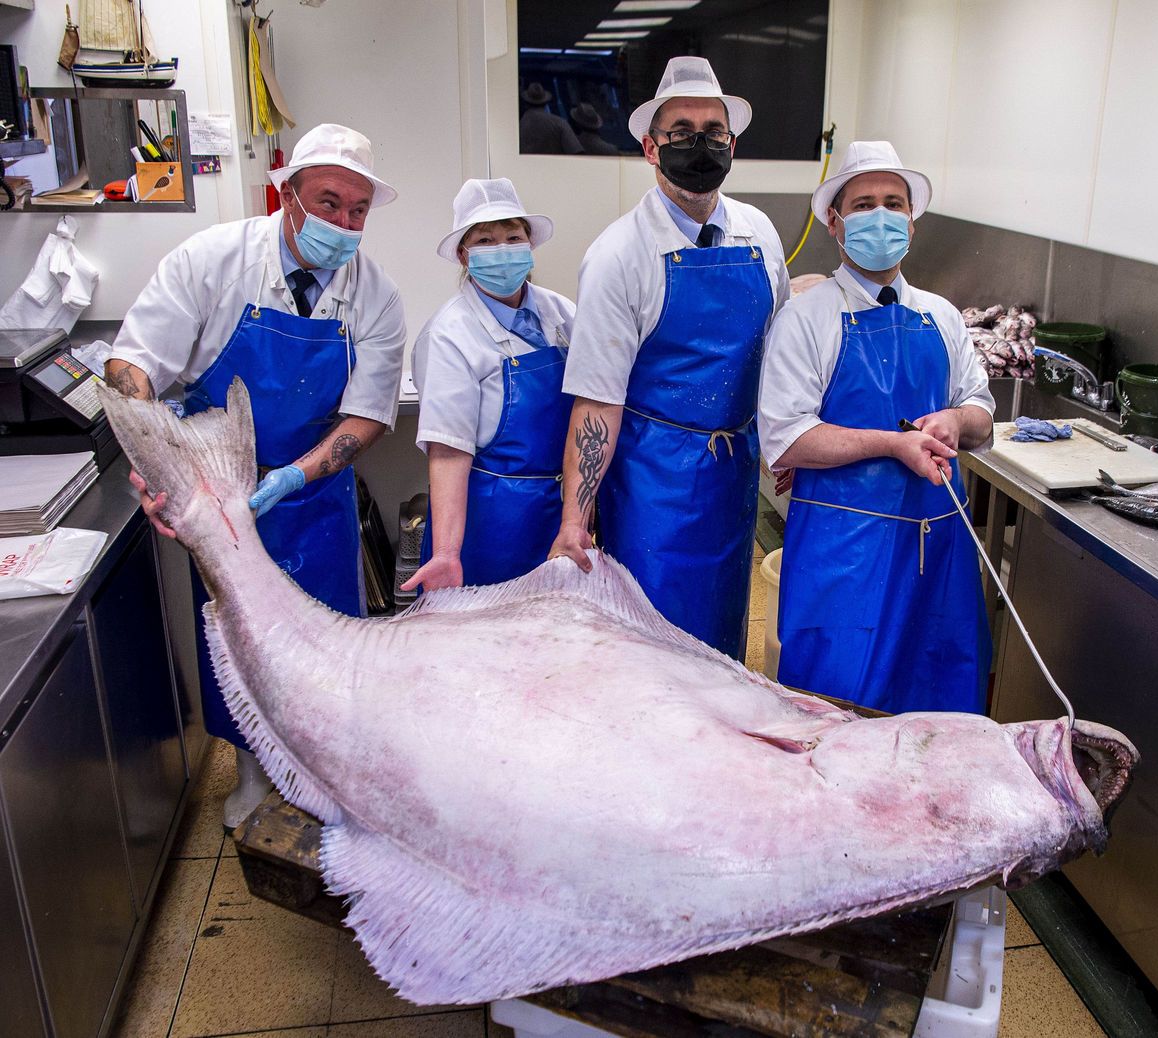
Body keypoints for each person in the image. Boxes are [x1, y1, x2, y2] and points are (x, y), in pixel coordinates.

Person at [107, 123, 406, 826]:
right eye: (329, 202)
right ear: (289, 195)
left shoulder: (376, 296)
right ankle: (252, 772)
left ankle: (325, 773)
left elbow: (367, 417)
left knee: (326, 650)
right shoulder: (211, 260)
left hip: (314, 496)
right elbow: (132, 364)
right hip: (215, 492)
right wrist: (157, 459)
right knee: (240, 643)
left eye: (357, 211)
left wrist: (291, 480)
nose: (343, 223)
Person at [549, 56, 789, 659]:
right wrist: (574, 521)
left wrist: (785, 443)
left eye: (713, 133)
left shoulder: (760, 235)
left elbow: (779, 355)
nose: (699, 145)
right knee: (654, 652)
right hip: (652, 485)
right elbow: (597, 403)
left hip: (734, 476)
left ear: (732, 145)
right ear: (651, 150)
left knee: (723, 641)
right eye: (680, 132)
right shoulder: (618, 257)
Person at [757, 140, 994, 713]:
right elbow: (786, 437)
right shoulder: (805, 319)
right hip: (846, 554)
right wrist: (894, 443)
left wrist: (956, 419)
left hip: (937, 551)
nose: (880, 216)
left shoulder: (940, 315)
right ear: (835, 224)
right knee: (836, 709)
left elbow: (982, 412)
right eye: (863, 205)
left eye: (894, 202)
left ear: (912, 222)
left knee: (939, 703)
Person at [400, 179, 574, 591]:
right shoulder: (448, 334)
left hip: (559, 512)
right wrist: (445, 553)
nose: (501, 250)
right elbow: (448, 453)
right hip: (492, 523)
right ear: (463, 253)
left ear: (529, 244)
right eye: (485, 240)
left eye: (512, 237)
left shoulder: (562, 313)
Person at [519, 82, 584, 155]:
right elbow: (577, 153)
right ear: (545, 102)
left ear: (526, 103)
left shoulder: (518, 126)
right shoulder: (560, 123)